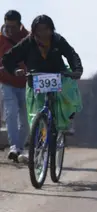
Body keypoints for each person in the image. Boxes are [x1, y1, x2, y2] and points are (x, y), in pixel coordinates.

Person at [1, 15, 83, 163]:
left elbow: (72, 55)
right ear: (34, 31)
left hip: (58, 75)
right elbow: (8, 58)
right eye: (39, 30)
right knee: (36, 115)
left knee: (69, 92)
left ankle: (65, 121)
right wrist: (14, 71)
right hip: (36, 78)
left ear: (51, 30)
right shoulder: (28, 42)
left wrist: (77, 70)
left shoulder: (58, 40)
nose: (43, 33)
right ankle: (38, 139)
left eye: (46, 29)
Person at [0, 10, 29, 162]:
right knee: (10, 113)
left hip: (25, 84)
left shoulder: (28, 38)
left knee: (26, 119)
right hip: (6, 83)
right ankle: (13, 147)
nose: (10, 30)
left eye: (13, 27)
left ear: (19, 25)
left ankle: (19, 147)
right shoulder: (0, 39)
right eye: (7, 26)